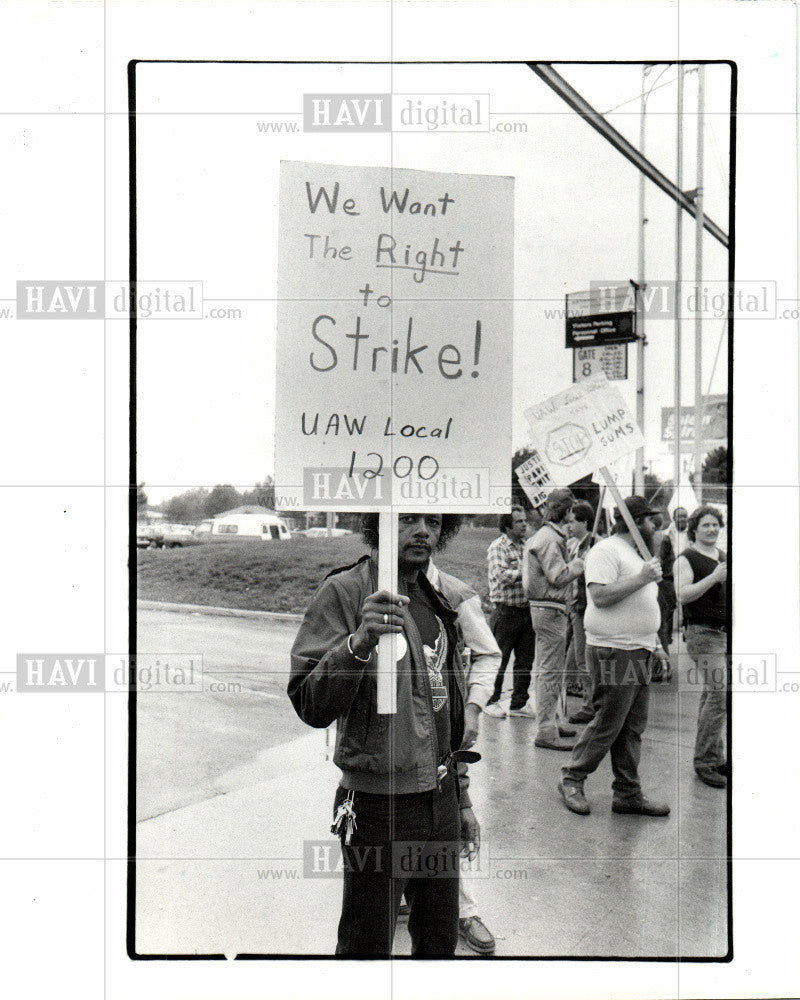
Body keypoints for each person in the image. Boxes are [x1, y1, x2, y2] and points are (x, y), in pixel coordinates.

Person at [288, 512, 481, 956]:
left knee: (438, 940)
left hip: (441, 798)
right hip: (378, 806)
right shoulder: (346, 591)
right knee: (366, 946)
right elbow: (309, 703)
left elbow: (442, 709)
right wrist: (358, 644)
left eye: (433, 521)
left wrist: (462, 799)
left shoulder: (438, 598)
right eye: (407, 518)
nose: (422, 531)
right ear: (379, 524)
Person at [558, 496, 671, 816]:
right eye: (650, 520)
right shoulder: (606, 551)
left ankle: (627, 793)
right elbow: (601, 596)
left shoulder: (636, 555)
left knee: (632, 726)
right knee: (609, 721)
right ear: (633, 522)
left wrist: (656, 645)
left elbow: (641, 604)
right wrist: (643, 578)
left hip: (639, 648)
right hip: (614, 650)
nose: (656, 525)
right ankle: (571, 777)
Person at [425, 558, 498, 954]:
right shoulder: (366, 584)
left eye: (427, 520)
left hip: (444, 723)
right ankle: (407, 891)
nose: (415, 530)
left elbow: (487, 653)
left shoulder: (455, 593)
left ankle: (463, 909)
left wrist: (472, 705)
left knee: (451, 806)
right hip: (390, 729)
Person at [523, 488, 585, 750]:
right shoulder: (549, 538)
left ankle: (551, 720)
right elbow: (558, 576)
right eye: (572, 510)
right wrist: (578, 566)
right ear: (568, 511)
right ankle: (546, 730)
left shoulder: (547, 535)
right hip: (549, 609)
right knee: (550, 670)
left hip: (547, 609)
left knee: (551, 669)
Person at [676, 505, 728, 789]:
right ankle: (705, 761)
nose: (712, 529)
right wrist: (713, 578)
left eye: (715, 525)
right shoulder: (687, 559)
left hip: (723, 633)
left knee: (713, 695)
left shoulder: (722, 557)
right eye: (706, 525)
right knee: (721, 695)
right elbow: (683, 595)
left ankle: (714, 757)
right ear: (694, 529)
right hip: (702, 632)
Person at [484, 507, 535, 718]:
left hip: (526, 610)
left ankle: (519, 704)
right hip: (505, 612)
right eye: (519, 521)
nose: (524, 524)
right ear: (507, 526)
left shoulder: (527, 546)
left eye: (525, 521)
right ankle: (490, 701)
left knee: (525, 659)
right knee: (500, 658)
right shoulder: (498, 547)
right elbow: (502, 575)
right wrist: (530, 573)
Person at [564, 500, 596, 724]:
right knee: (574, 654)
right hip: (575, 606)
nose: (569, 525)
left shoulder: (594, 546)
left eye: (573, 521)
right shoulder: (576, 544)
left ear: (585, 522)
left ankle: (590, 704)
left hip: (585, 607)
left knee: (584, 659)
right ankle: (569, 687)